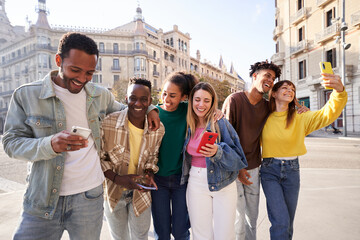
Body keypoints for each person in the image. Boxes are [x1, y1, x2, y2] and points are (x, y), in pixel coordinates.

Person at [2, 32, 160, 240]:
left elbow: (128, 109)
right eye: (75, 70)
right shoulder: (26, 95)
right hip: (42, 198)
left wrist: (151, 109)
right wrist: (50, 144)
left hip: (89, 197)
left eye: (89, 73)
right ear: (58, 60)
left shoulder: (100, 95)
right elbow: (11, 143)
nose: (82, 79)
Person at [260, 74, 347, 240]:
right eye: (285, 87)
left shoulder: (300, 117)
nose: (289, 91)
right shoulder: (263, 117)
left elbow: (327, 114)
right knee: (281, 221)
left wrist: (338, 91)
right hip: (269, 171)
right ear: (274, 93)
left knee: (288, 223)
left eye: (292, 89)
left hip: (292, 171)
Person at [222, 61, 281, 240]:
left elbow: (285, 107)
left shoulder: (266, 107)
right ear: (254, 76)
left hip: (254, 168)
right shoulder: (235, 100)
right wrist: (238, 168)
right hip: (233, 169)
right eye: (267, 76)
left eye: (273, 78)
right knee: (238, 218)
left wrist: (299, 106)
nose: (271, 81)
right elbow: (226, 139)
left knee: (251, 218)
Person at [181, 82, 248, 240]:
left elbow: (239, 159)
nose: (201, 104)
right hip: (195, 182)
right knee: (200, 235)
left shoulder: (220, 122)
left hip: (223, 183)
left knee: (224, 235)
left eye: (206, 100)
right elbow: (166, 104)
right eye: (197, 99)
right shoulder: (187, 123)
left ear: (212, 102)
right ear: (191, 101)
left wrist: (218, 152)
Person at [100, 78, 165, 240]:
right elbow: (99, 158)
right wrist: (118, 179)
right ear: (126, 99)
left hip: (141, 194)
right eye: (133, 98)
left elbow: (153, 157)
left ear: (150, 101)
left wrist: (149, 173)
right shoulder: (108, 123)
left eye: (144, 99)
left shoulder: (158, 128)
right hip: (113, 192)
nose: (138, 103)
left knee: (140, 237)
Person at [151, 72, 197, 240]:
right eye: (164, 93)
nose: (166, 99)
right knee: (161, 233)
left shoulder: (188, 111)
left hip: (181, 180)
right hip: (158, 181)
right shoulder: (154, 112)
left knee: (180, 231)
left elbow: (205, 105)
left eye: (172, 95)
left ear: (184, 97)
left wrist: (217, 113)